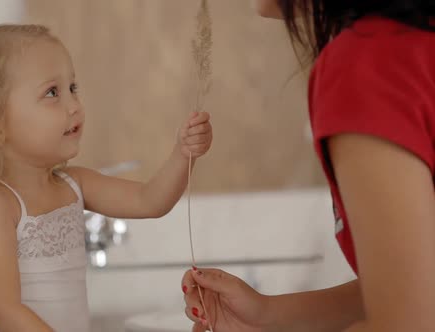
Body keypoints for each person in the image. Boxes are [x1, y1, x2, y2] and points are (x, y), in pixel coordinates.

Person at [0, 24, 213, 331]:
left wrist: (183, 154)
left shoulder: (75, 185)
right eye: (52, 92)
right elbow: (6, 313)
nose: (74, 105)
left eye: (73, 88)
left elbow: (150, 201)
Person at [182, 1, 435, 331]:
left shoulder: (367, 63)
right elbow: (416, 289)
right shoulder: (412, 42)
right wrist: (266, 316)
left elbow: (407, 324)